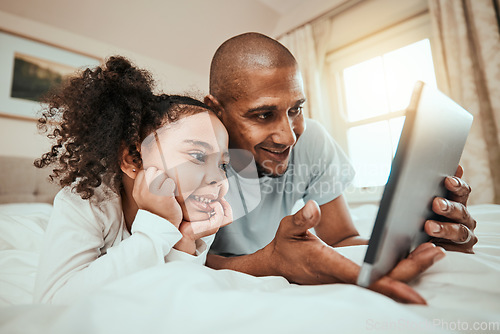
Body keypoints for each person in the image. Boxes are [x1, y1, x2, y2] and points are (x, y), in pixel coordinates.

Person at [204, 32, 477, 304]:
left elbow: (341, 238)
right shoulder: (189, 158)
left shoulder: (311, 140)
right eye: (264, 115)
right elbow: (186, 258)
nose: (289, 137)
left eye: (296, 109)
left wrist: (425, 238)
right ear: (216, 112)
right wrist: (269, 262)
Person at [33, 56, 232, 304]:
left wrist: (185, 239)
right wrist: (158, 230)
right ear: (133, 159)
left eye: (223, 164)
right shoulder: (87, 201)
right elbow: (52, 304)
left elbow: (173, 296)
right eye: (198, 156)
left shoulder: (196, 213)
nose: (219, 180)